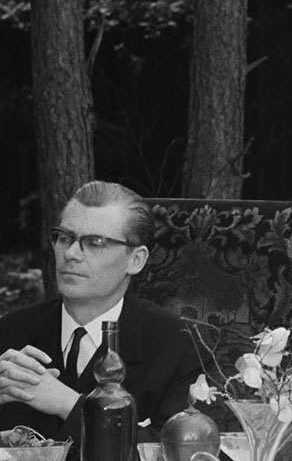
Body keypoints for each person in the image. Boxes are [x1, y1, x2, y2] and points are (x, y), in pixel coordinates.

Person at [0, 181, 202, 455]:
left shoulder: (178, 345)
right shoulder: (10, 331)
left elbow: (183, 453)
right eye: (64, 237)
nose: (71, 254)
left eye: (95, 243)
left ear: (136, 260)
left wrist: (70, 405)